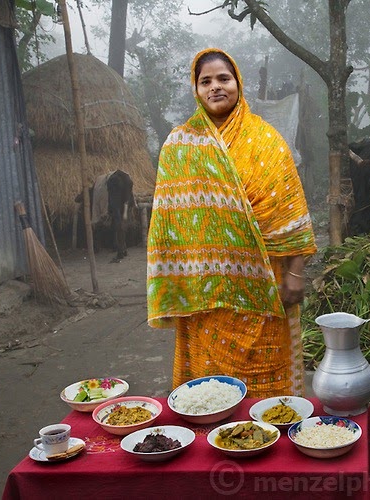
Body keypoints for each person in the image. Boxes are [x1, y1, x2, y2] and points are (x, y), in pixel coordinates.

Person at [146, 48, 317, 398]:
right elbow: (168, 227)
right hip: (205, 295)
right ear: (195, 90)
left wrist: (296, 274)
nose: (215, 87)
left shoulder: (268, 141)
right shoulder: (179, 146)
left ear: (238, 82)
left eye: (224, 79)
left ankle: (274, 442)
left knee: (270, 393)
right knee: (209, 393)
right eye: (205, 81)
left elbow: (291, 213)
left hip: (267, 287)